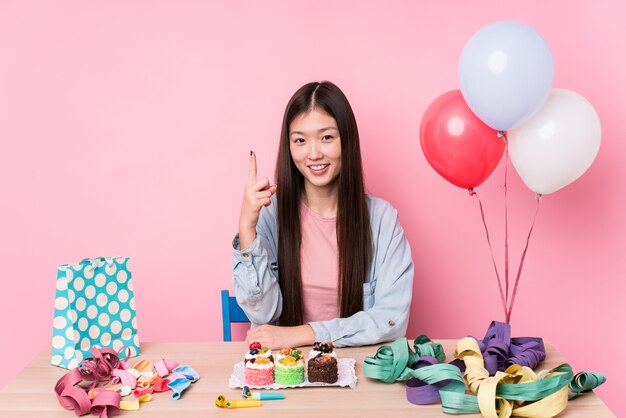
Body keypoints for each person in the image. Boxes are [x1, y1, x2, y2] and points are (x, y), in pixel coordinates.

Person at [231, 81, 414, 349]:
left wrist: (307, 333)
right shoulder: (271, 214)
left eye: (327, 137)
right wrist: (247, 228)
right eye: (300, 141)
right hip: (286, 372)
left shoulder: (382, 220)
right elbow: (263, 315)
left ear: (347, 139)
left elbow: (392, 320)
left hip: (357, 374)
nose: (314, 154)